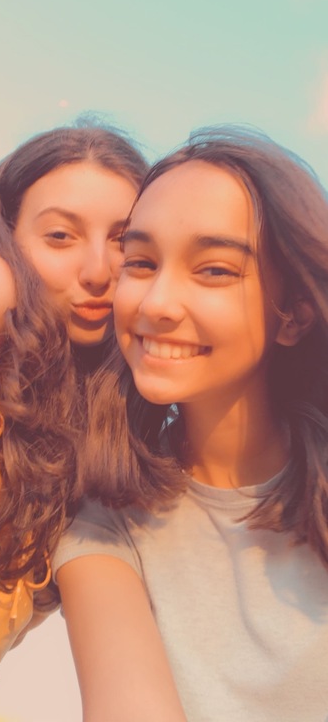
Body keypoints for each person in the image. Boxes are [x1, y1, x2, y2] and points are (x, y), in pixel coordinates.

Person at [53, 126, 328, 722]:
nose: (155, 304)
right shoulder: (104, 526)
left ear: (296, 315)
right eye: (142, 263)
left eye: (215, 271)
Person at [0, 121, 147, 721]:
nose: (98, 269)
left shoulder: (100, 452)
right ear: (7, 236)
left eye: (125, 241)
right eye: (60, 236)